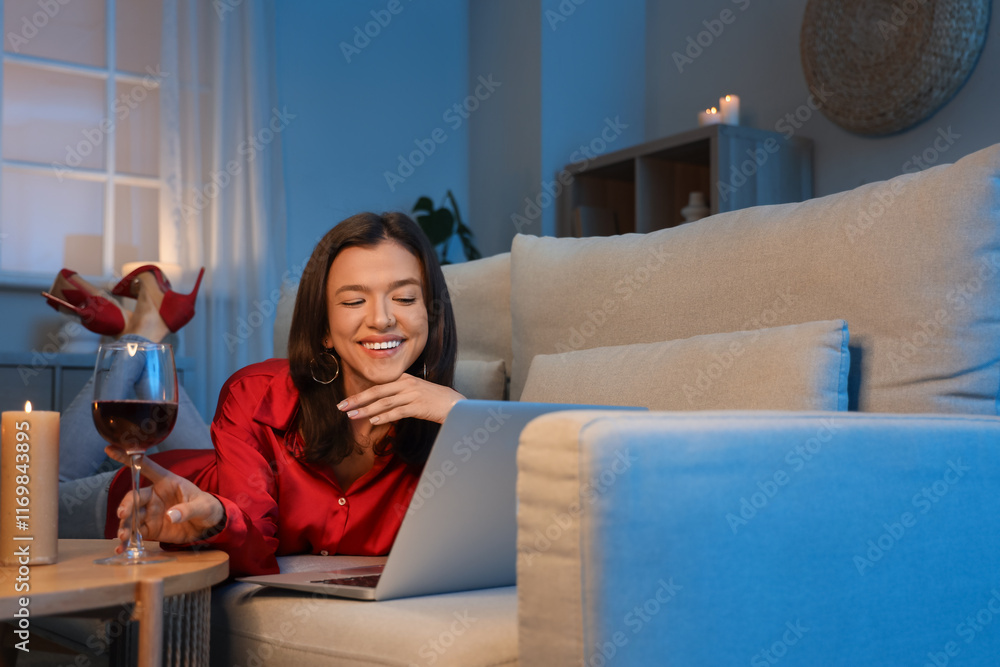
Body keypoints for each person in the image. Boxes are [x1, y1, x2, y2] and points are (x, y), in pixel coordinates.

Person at [102, 212, 464, 576]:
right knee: (53, 482)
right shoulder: (256, 394)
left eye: (404, 298)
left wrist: (463, 415)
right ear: (324, 328)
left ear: (431, 316)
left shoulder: (453, 422)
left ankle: (140, 323)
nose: (382, 319)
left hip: (217, 464)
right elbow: (254, 551)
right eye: (354, 302)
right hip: (149, 498)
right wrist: (218, 520)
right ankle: (141, 333)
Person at [49, 265, 212, 538]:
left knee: (24, 504)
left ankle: (136, 331)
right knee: (211, 468)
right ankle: (141, 332)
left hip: (187, 493)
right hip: (214, 473)